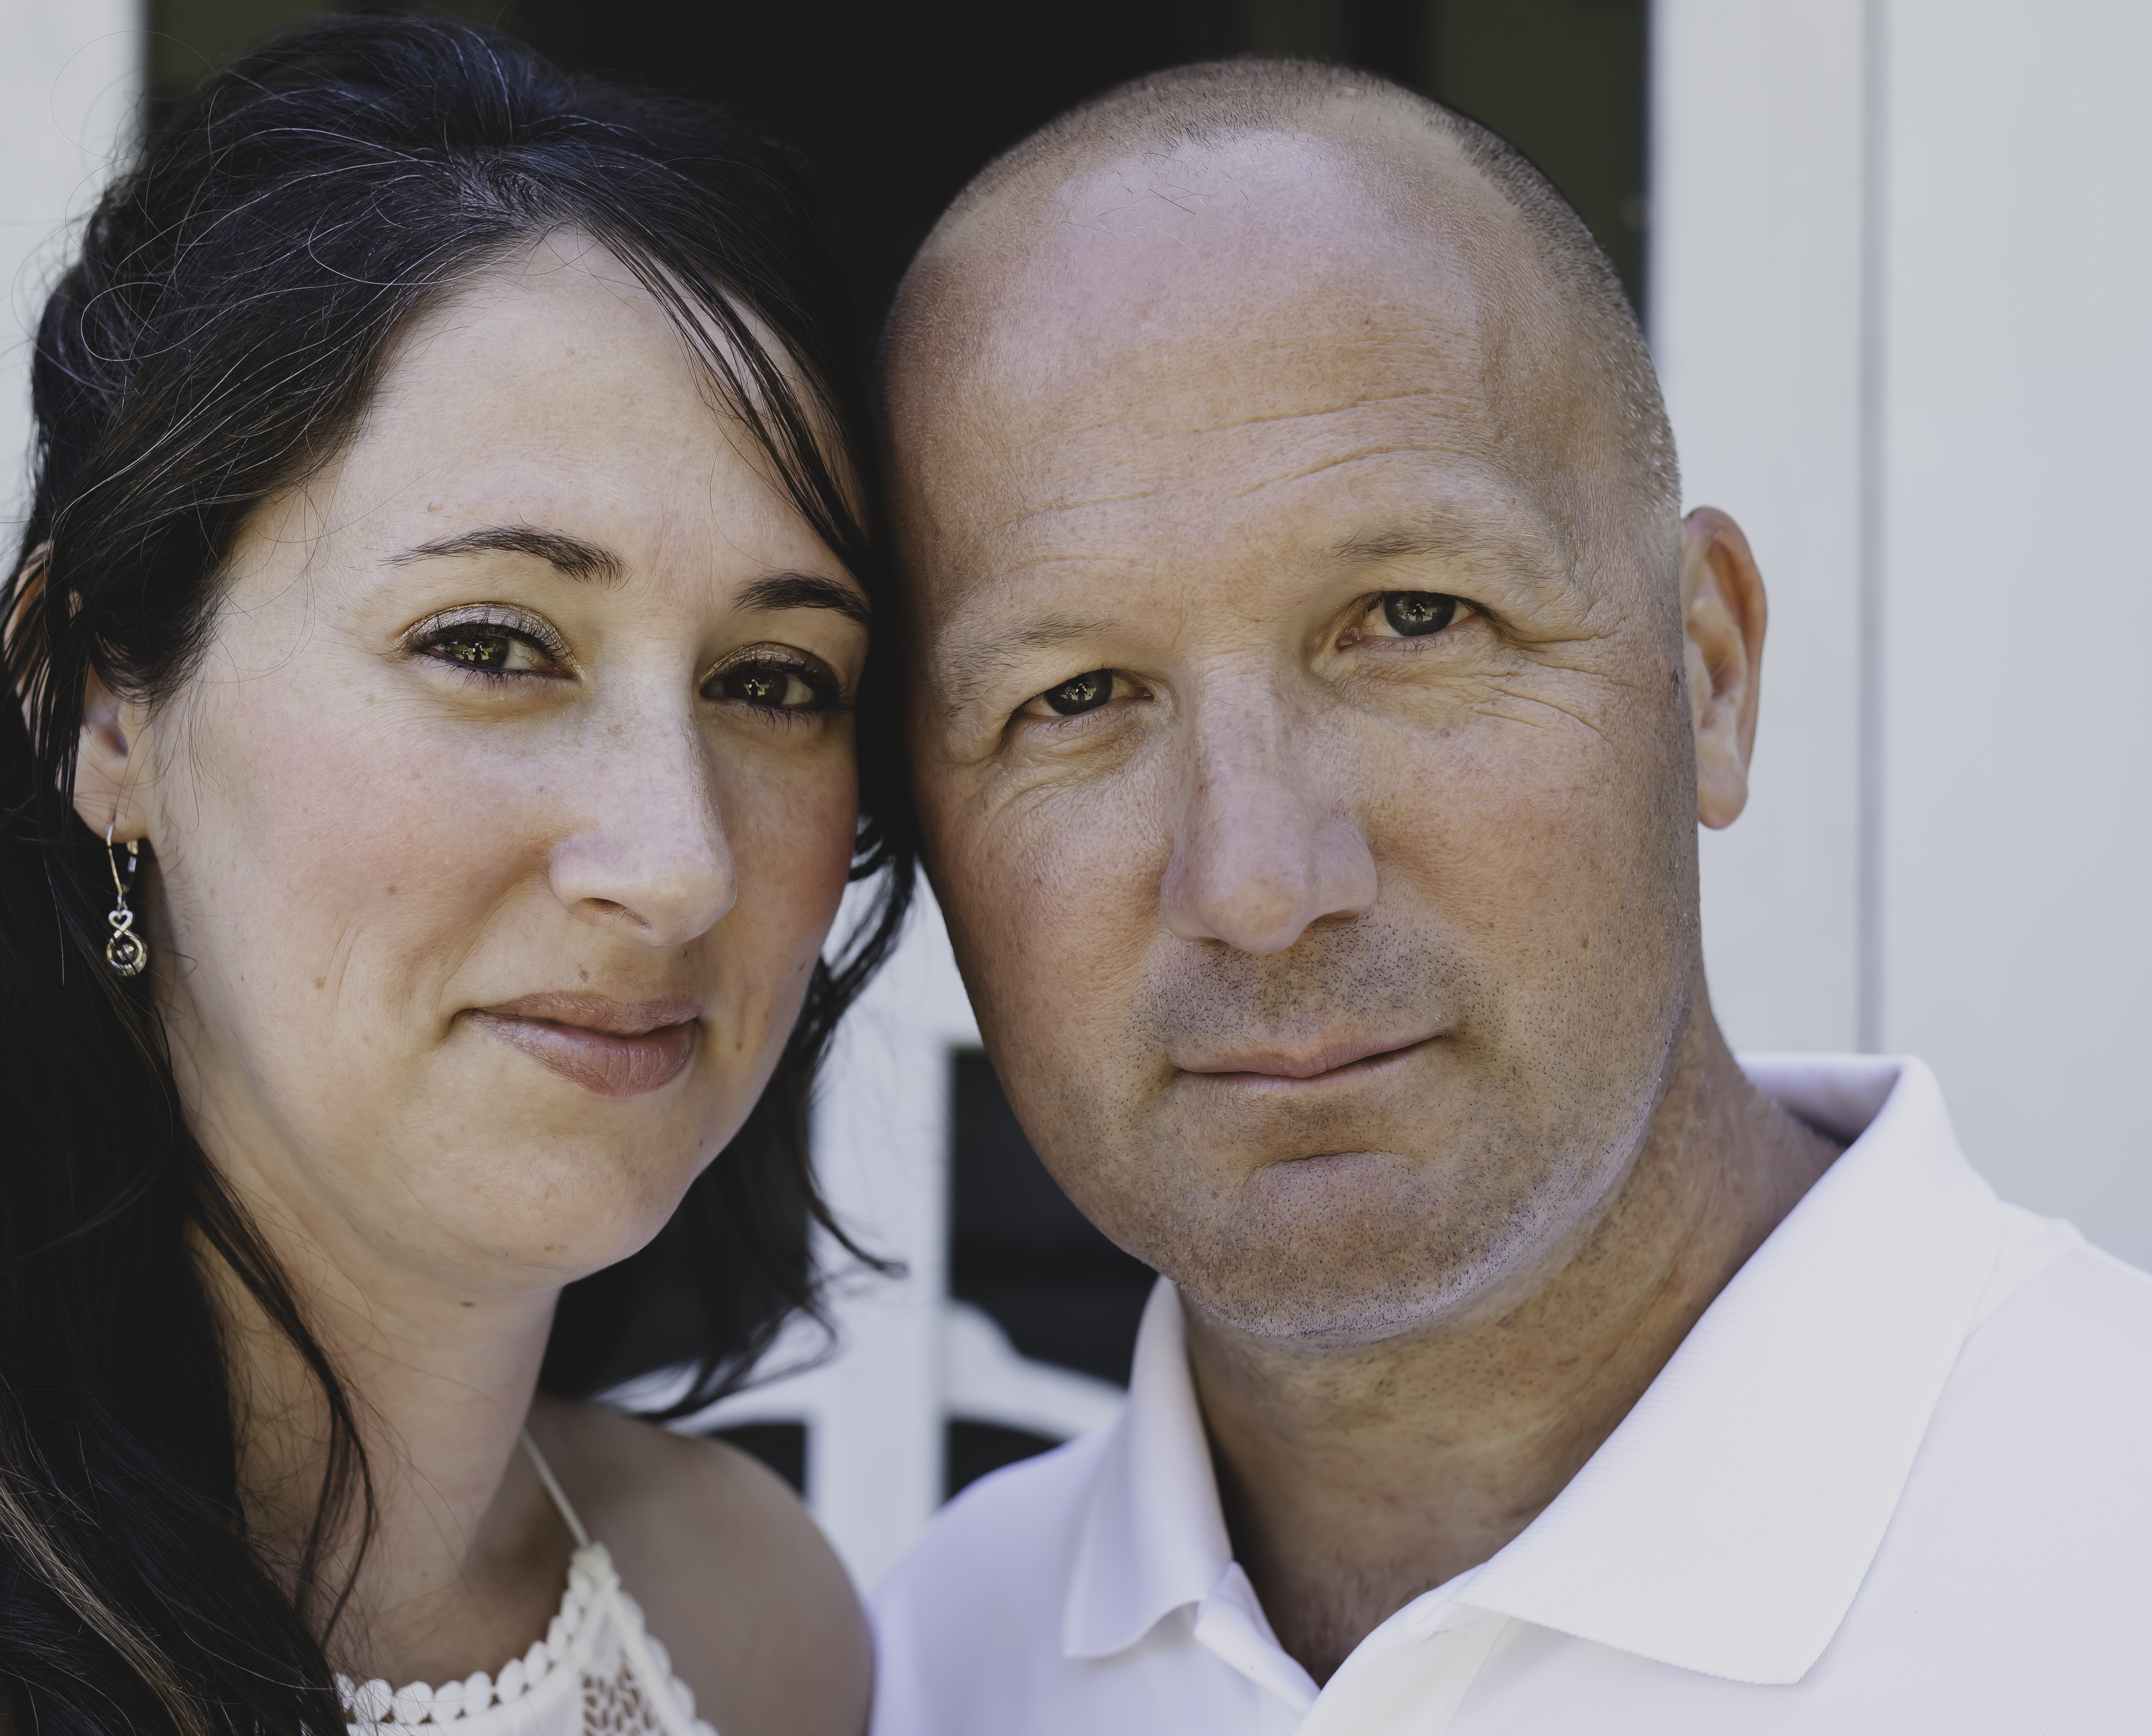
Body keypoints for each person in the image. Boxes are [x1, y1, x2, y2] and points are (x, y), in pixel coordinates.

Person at [0, 18, 910, 1734]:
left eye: (774, 682)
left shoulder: (755, 1620)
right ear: (102, 702)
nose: (676, 862)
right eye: (491, 643)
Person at [867, 58, 2152, 1734]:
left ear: (1707, 674)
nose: (1257, 883)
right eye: (1074, 698)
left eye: (1411, 620)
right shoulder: (929, 1661)